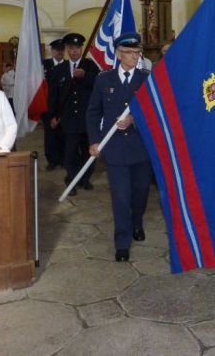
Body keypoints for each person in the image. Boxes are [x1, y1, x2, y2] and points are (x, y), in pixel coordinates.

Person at [86, 32, 152, 262]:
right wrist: (94, 141)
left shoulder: (146, 78)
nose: (135, 56)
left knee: (141, 193)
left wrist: (134, 119)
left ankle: (137, 222)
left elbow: (154, 112)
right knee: (121, 198)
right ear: (119, 54)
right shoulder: (104, 79)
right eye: (130, 53)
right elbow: (93, 112)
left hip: (141, 147)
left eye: (137, 52)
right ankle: (122, 242)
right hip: (114, 148)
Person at [48, 33, 97, 194]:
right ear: (67, 50)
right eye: (71, 48)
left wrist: (85, 77)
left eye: (77, 48)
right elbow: (53, 95)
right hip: (68, 119)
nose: (74, 51)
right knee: (69, 152)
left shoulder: (90, 66)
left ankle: (85, 178)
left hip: (87, 118)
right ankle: (71, 181)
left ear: (82, 49)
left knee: (87, 151)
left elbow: (98, 86)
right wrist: (53, 116)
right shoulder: (58, 70)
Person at [42, 39, 66, 170]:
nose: (59, 52)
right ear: (52, 51)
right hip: (47, 106)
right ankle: (52, 160)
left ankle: (62, 159)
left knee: (63, 134)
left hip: (63, 106)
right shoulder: (44, 65)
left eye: (61, 49)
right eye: (57, 49)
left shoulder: (68, 65)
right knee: (50, 135)